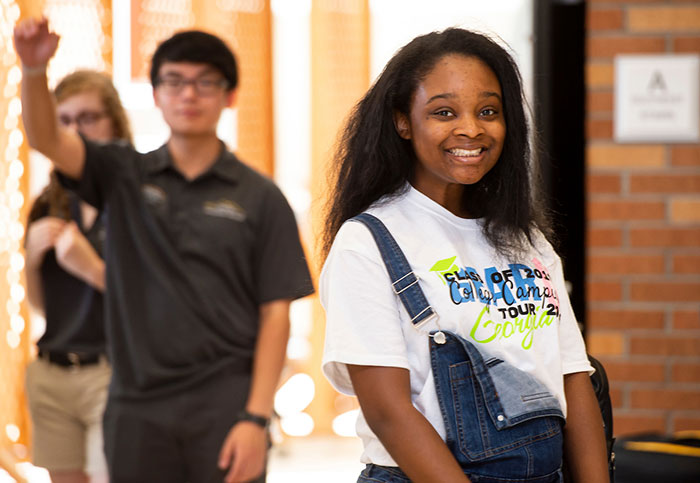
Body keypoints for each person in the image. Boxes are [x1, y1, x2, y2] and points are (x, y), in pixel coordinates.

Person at [15, 18, 314, 483]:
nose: (188, 95)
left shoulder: (260, 196)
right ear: (156, 95)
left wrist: (256, 418)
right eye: (174, 82)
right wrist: (33, 72)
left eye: (205, 83)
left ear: (229, 96)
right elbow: (46, 140)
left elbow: (276, 313)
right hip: (136, 407)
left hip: (224, 404)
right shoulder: (123, 175)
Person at [320, 28, 609, 483]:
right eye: (444, 112)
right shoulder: (369, 241)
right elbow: (388, 411)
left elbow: (574, 378)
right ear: (403, 120)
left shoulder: (527, 240)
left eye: (488, 111)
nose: (471, 129)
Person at [24, 69, 132, 483]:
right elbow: (41, 307)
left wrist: (92, 269)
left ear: (114, 122)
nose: (75, 130)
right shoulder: (47, 203)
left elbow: (156, 302)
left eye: (88, 117)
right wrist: (33, 261)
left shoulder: (138, 199)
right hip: (51, 373)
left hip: (113, 370)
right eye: (64, 120)